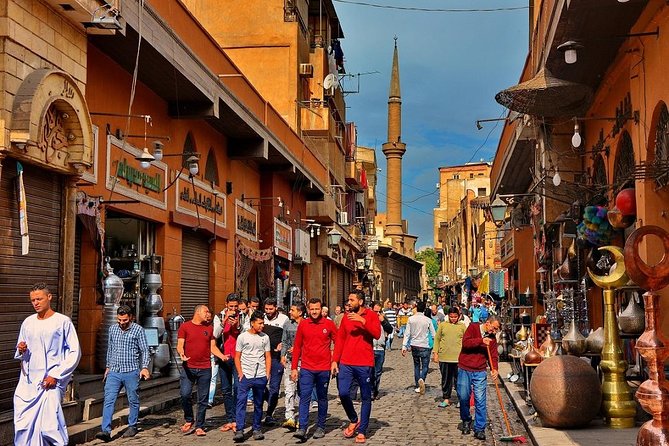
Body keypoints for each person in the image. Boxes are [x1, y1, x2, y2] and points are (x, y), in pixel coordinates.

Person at [14, 283, 81, 446]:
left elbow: (75, 352)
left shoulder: (62, 322)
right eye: (32, 300)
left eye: (39, 299)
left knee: (50, 427)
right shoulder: (28, 322)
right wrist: (22, 349)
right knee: (23, 425)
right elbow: (22, 351)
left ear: (49, 297)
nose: (35, 303)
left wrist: (56, 376)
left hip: (49, 383)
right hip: (27, 384)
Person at [332, 290, 382, 444]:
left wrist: (363, 321)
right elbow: (340, 339)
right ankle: (353, 419)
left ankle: (362, 430)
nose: (349, 302)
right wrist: (335, 360)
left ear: (360, 302)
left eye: (352, 300)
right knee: (344, 392)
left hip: (364, 363)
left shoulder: (371, 315)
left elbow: (377, 334)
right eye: (348, 300)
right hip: (346, 362)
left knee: (366, 397)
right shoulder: (346, 317)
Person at [96, 305, 150, 442]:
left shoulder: (138, 330)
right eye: (119, 320)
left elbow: (145, 350)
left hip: (131, 371)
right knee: (109, 399)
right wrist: (108, 366)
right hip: (114, 371)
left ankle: (132, 425)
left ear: (131, 317)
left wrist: (144, 367)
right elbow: (111, 348)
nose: (122, 323)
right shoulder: (113, 329)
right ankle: (105, 430)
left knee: (133, 399)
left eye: (125, 320)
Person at [177, 304, 228, 436]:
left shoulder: (209, 328)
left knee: (203, 398)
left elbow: (213, 347)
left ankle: (200, 425)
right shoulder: (185, 327)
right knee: (185, 394)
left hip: (205, 368)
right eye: (206, 312)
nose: (208, 314)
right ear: (198, 312)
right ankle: (189, 418)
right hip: (189, 368)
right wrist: (182, 354)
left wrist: (222, 356)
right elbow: (180, 345)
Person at [291, 298, 337, 441]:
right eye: (312, 309)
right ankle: (302, 428)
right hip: (306, 368)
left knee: (322, 397)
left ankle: (321, 426)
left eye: (317, 309)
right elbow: (297, 346)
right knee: (304, 397)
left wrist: (335, 360)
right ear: (308, 309)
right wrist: (294, 368)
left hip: (323, 368)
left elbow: (339, 341)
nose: (315, 311)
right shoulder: (303, 324)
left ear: (321, 309)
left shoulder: (329, 324)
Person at [457, 315, 500, 440]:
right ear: (487, 323)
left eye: (496, 330)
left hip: (480, 370)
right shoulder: (473, 328)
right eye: (494, 328)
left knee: (480, 400)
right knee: (463, 396)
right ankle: (466, 420)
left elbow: (493, 356)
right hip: (465, 367)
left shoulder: (492, 338)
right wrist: (480, 341)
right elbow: (465, 344)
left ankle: (479, 428)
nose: (494, 332)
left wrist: (495, 369)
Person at [233, 311, 271, 443]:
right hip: (246, 375)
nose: (262, 326)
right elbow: (237, 356)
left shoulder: (265, 337)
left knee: (259, 403)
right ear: (252, 323)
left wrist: (267, 373)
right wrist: (240, 373)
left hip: (260, 375)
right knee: (241, 402)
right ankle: (239, 429)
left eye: (263, 323)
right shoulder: (242, 337)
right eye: (259, 323)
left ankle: (256, 428)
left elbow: (267, 356)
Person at [213, 293, 241, 432]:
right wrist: (224, 322)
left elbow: (247, 334)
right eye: (231, 306)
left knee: (238, 388)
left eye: (236, 306)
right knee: (225, 390)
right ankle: (230, 419)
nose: (234, 309)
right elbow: (215, 334)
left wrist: (238, 326)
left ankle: (236, 419)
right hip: (224, 357)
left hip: (238, 358)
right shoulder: (218, 317)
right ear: (226, 305)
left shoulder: (243, 316)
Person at [262, 298, 289, 425]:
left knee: (274, 387)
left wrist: (282, 345)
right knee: (260, 385)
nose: (268, 311)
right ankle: (269, 400)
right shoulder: (261, 318)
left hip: (276, 358)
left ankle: (269, 414)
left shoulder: (284, 319)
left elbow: (288, 336)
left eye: (270, 309)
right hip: (262, 357)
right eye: (266, 309)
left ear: (276, 308)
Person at [433, 306, 466, 408]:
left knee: (459, 380)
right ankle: (446, 398)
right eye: (451, 317)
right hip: (444, 357)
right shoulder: (442, 325)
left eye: (455, 317)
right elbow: (437, 340)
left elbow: (466, 341)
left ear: (459, 316)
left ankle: (460, 399)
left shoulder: (462, 326)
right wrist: (435, 353)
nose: (453, 318)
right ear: (448, 316)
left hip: (458, 358)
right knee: (446, 379)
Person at [280, 302, 306, 429]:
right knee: (289, 389)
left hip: (304, 362)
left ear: (300, 312)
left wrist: (298, 349)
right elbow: (284, 341)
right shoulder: (287, 324)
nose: (290, 312)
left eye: (292, 310)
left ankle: (302, 417)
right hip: (290, 362)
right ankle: (289, 417)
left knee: (303, 391)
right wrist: (282, 355)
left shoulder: (307, 325)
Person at [401, 301, 435, 395]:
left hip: (414, 345)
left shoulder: (411, 319)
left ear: (416, 308)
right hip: (425, 345)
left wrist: (404, 346)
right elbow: (433, 334)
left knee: (416, 365)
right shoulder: (428, 320)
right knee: (425, 366)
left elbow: (407, 333)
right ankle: (422, 379)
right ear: (424, 309)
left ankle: (417, 385)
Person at [372, 301, 393, 400]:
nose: (377, 313)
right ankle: (371, 391)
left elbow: (390, 330)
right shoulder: (368, 319)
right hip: (370, 348)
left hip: (380, 348)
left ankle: (375, 390)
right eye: (375, 311)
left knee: (378, 372)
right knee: (370, 372)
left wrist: (383, 321)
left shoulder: (383, 318)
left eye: (379, 311)